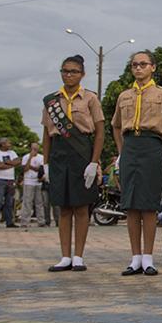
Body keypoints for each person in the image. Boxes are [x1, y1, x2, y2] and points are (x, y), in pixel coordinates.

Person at [112, 51, 162, 277]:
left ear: (153, 67)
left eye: (143, 64)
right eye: (135, 65)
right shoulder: (124, 96)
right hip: (130, 147)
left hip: (152, 146)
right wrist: (121, 152)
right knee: (130, 204)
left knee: (148, 204)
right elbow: (117, 126)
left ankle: (148, 257)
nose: (139, 68)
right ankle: (135, 257)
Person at [42, 55, 105, 271]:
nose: (69, 75)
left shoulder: (90, 99)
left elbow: (99, 132)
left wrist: (94, 162)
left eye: (74, 71)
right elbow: (46, 134)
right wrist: (46, 163)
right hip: (59, 155)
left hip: (82, 153)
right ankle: (65, 256)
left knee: (81, 207)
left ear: (82, 74)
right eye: (65, 71)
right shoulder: (52, 101)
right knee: (64, 207)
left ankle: (79, 255)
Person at [0, 137, 20, 228]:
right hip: (0, 179)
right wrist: (12, 164)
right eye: (8, 143)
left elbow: (18, 161)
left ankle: (9, 222)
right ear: (2, 144)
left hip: (11, 179)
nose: (10, 144)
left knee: (9, 202)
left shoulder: (12, 152)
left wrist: (7, 163)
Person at [19, 142, 46, 228]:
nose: (35, 150)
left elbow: (41, 169)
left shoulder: (41, 157)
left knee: (39, 202)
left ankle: (41, 221)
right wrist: (30, 157)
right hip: (28, 181)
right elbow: (25, 169)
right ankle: (24, 221)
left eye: (36, 148)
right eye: (33, 148)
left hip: (38, 182)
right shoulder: (26, 157)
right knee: (27, 202)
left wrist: (32, 167)